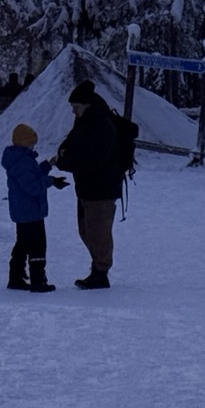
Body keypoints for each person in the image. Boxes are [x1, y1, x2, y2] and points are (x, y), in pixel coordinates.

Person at [53, 78, 137, 290]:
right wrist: (64, 153)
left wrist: (64, 161)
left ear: (87, 105)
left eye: (76, 107)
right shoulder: (84, 123)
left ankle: (101, 272)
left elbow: (92, 162)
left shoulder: (101, 126)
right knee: (87, 231)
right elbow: (70, 143)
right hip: (87, 188)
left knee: (98, 232)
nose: (73, 111)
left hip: (101, 189)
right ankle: (97, 269)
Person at [1, 122, 67, 292]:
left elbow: (34, 175)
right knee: (37, 245)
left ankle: (16, 277)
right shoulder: (22, 162)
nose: (33, 146)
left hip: (24, 212)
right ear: (24, 143)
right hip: (30, 212)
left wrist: (48, 165)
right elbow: (32, 186)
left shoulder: (21, 159)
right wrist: (51, 181)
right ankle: (37, 280)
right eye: (31, 143)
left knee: (23, 243)